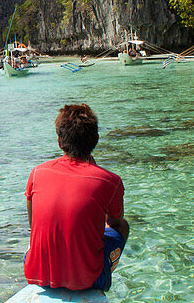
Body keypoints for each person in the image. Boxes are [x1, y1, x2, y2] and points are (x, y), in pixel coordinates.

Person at [24, 104, 129, 292]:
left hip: (36, 274)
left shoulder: (37, 173)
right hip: (87, 281)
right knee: (123, 226)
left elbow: (33, 226)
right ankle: (103, 272)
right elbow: (114, 222)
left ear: (59, 141)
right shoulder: (110, 181)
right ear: (96, 140)